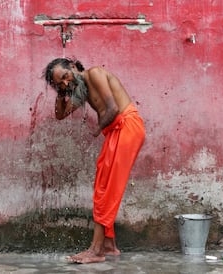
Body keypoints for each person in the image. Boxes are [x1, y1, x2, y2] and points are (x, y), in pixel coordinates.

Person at [43, 58, 145, 264]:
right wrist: (61, 93)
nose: (65, 83)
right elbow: (60, 115)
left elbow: (112, 108)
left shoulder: (94, 73)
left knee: (107, 191)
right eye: (58, 83)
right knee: (101, 187)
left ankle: (96, 251)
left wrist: (97, 129)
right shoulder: (82, 89)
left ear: (73, 67)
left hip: (127, 127)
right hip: (117, 133)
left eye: (65, 77)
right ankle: (109, 244)